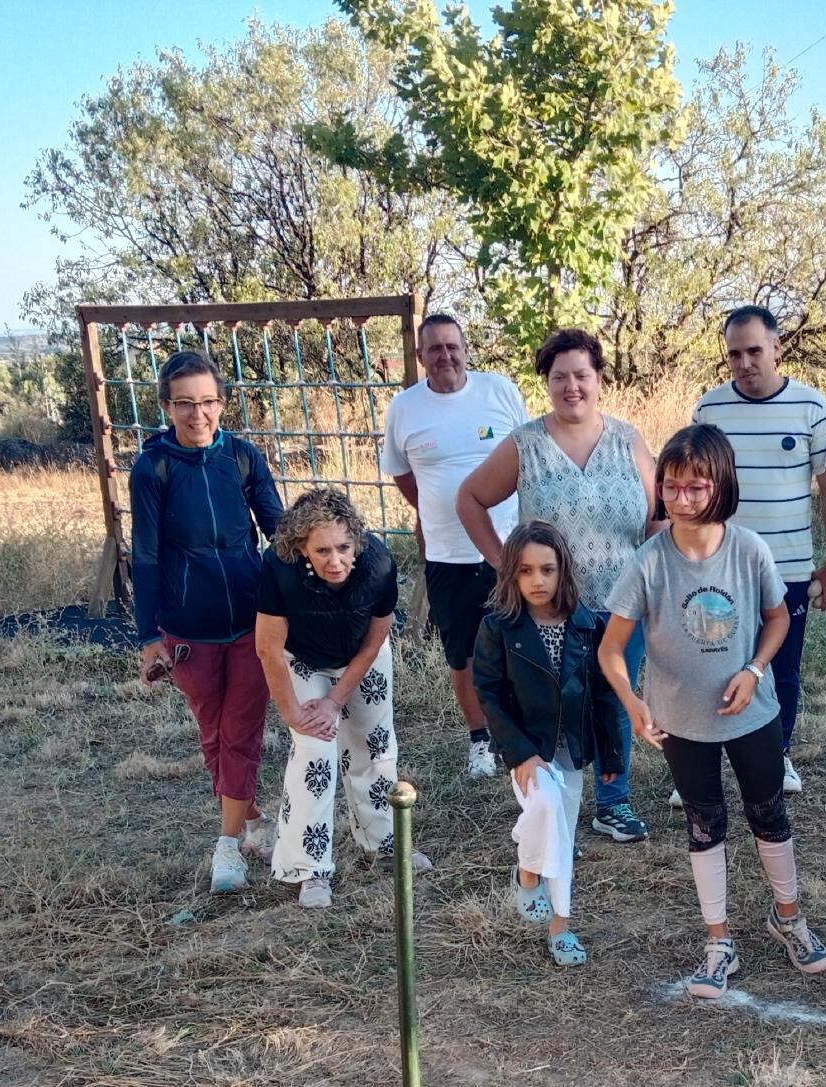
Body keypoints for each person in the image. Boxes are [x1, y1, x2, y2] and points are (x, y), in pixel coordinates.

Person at [601, 424, 826, 999]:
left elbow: (777, 618)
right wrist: (633, 703)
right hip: (682, 722)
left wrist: (754, 672)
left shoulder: (749, 549)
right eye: (671, 487)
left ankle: (789, 917)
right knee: (704, 821)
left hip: (753, 715)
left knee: (768, 812)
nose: (682, 499)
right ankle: (718, 940)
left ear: (721, 485)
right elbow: (610, 649)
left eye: (696, 487)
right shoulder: (649, 562)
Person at [458, 329, 659, 843]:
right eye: (560, 376)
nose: (572, 386)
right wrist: (507, 564)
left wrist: (658, 576)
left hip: (621, 603)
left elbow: (659, 515)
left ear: (600, 379)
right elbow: (470, 499)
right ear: (546, 382)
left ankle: (613, 802)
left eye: (582, 375)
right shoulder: (526, 444)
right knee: (551, 700)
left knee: (615, 697)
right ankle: (545, 794)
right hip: (552, 609)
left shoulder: (628, 439)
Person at [128, 350, 287, 895]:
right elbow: (144, 555)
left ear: (223, 402)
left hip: (250, 620)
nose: (199, 415)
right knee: (214, 733)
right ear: (166, 407)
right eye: (185, 404)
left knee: (240, 730)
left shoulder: (243, 457)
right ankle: (251, 821)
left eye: (208, 401)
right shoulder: (153, 468)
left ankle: (227, 850)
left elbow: (279, 530)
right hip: (186, 627)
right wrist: (149, 636)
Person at [692, 305, 826, 793]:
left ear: (777, 348)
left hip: (788, 567)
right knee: (711, 660)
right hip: (720, 566)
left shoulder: (811, 407)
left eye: (755, 351)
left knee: (781, 666)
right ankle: (705, 762)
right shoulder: (709, 409)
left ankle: (778, 756)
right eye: (734, 354)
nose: (744, 363)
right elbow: (695, 486)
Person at [252, 489, 425, 909]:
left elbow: (375, 640)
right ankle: (308, 869)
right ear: (301, 549)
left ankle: (384, 841)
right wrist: (295, 715)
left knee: (376, 744)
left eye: (345, 547)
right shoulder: (278, 566)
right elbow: (268, 648)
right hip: (303, 657)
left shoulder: (378, 565)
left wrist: (335, 700)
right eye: (323, 550)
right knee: (315, 753)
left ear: (357, 542)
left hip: (360, 654)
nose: (336, 561)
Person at [381, 309, 531, 779]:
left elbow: (530, 456)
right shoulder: (404, 408)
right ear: (421, 356)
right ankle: (479, 740)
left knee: (518, 646)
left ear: (466, 349)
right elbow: (403, 475)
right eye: (435, 348)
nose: (445, 355)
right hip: (447, 555)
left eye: (453, 346)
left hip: (508, 552)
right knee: (462, 654)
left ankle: (521, 735)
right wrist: (436, 507)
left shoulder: (499, 391)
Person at [472, 520, 625, 968]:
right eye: (525, 571)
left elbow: (603, 694)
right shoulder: (499, 628)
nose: (537, 581)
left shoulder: (586, 625)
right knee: (544, 806)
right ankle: (527, 874)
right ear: (510, 575)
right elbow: (490, 693)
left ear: (563, 572)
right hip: (527, 746)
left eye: (547, 569)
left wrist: (612, 754)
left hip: (571, 747)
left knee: (562, 830)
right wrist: (519, 752)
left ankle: (561, 926)